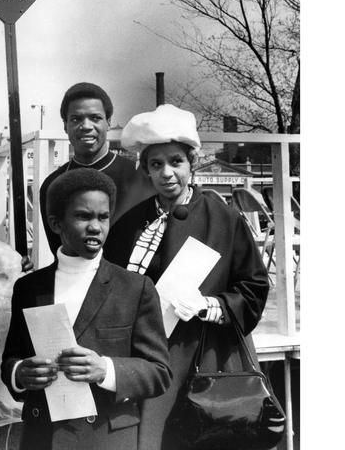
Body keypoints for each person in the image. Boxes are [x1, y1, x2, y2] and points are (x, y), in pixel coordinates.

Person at [103, 104, 270, 450]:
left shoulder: (223, 218)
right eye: (156, 164)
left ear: (192, 163)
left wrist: (209, 305)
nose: (166, 173)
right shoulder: (130, 224)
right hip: (153, 356)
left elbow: (253, 288)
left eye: (175, 161)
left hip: (209, 353)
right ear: (146, 171)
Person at [1, 168, 171, 450]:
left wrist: (105, 369)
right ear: (56, 224)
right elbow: (11, 358)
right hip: (43, 436)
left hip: (106, 438)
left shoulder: (134, 288)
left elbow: (159, 372)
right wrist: (19, 373)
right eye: (83, 216)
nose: (96, 226)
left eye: (103, 217)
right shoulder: (29, 288)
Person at [38, 82, 155, 256]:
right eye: (76, 119)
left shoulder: (140, 177)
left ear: (108, 122)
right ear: (65, 125)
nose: (86, 126)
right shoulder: (53, 185)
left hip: (135, 281)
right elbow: (59, 253)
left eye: (95, 118)